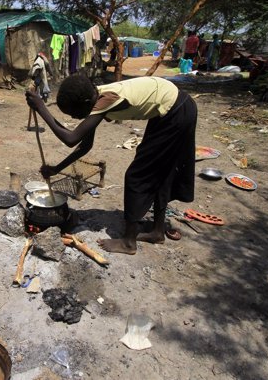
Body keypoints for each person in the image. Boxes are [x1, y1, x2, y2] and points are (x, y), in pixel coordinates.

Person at [25, 74, 197, 255]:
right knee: (160, 171)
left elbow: (71, 138)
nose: (76, 118)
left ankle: (129, 242)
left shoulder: (107, 100)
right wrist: (56, 169)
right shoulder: (96, 98)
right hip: (172, 108)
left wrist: (42, 108)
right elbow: (84, 146)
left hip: (175, 111)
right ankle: (157, 232)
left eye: (74, 113)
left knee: (137, 176)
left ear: (84, 102)